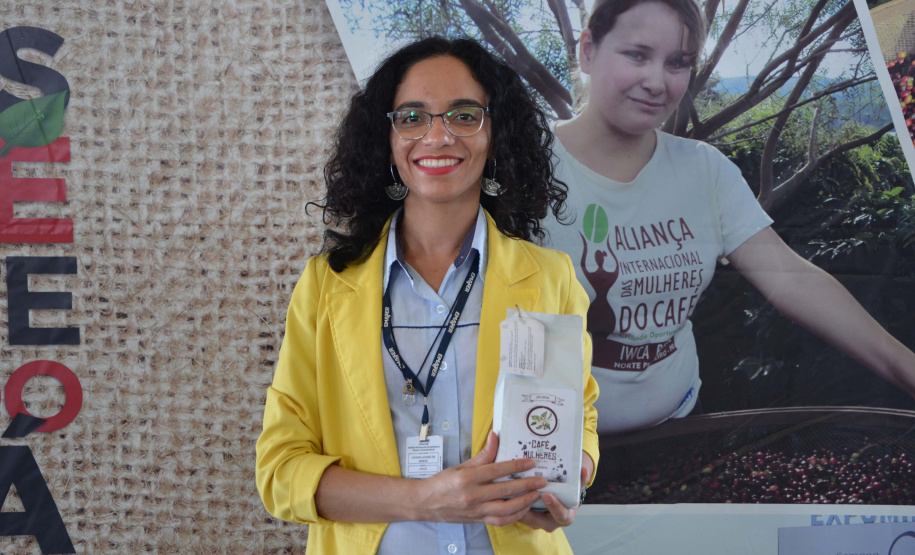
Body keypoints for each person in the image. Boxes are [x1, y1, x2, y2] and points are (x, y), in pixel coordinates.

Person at [255, 37, 599, 554]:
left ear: (495, 133)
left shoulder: (551, 278)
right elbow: (281, 471)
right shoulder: (325, 286)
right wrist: (424, 500)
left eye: (464, 116)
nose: (437, 136)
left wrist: (565, 481)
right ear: (387, 139)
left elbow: (581, 420)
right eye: (412, 117)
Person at [545, 0, 915, 434]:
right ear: (588, 50)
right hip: (559, 446)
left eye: (677, 63)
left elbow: (791, 277)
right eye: (637, 55)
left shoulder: (704, 169)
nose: (656, 82)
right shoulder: (522, 166)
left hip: (678, 428)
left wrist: (906, 369)